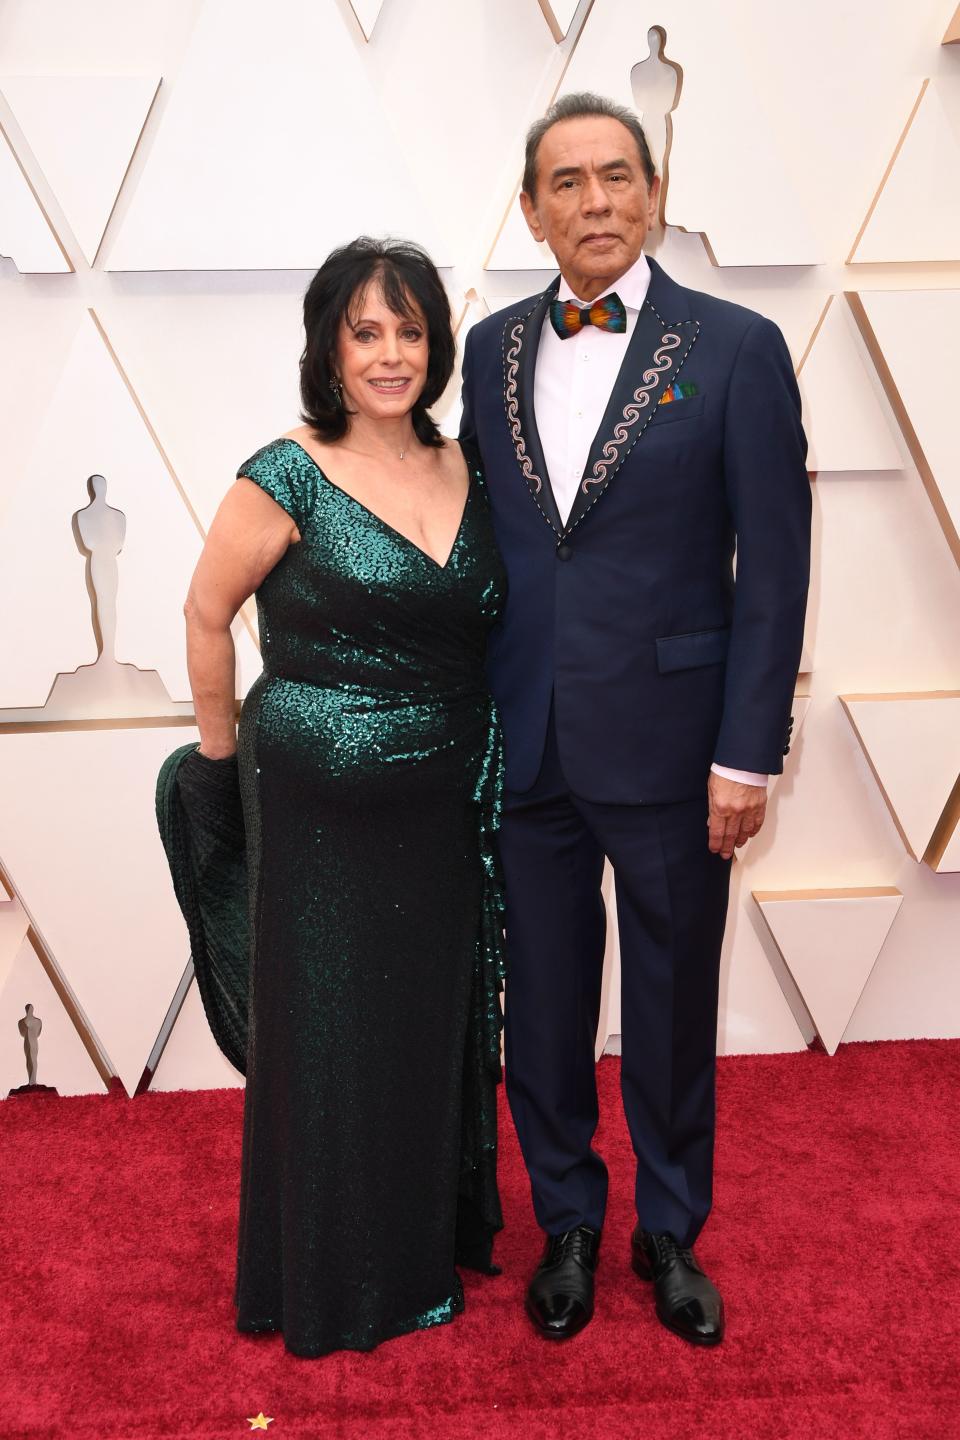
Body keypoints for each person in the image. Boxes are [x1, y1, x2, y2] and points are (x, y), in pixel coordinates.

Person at [460, 93, 810, 1345]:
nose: (594, 202)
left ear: (655, 193)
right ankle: (564, 1220)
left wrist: (744, 752)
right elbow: (482, 548)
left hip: (675, 747)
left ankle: (669, 1231)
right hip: (529, 736)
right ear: (531, 208)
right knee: (541, 1005)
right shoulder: (490, 349)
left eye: (616, 177)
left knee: (671, 1000)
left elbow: (775, 567)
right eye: (567, 182)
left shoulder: (738, 346)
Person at [171, 237, 507, 1358]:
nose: (391, 353)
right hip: (318, 806)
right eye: (366, 331)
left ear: (436, 346)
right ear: (327, 345)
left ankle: (416, 1250)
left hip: (446, 800)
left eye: (410, 330)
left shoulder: (467, 467)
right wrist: (222, 764)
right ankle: (329, 1275)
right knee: (328, 1038)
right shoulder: (287, 470)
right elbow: (206, 612)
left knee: (421, 1026)